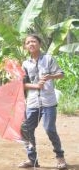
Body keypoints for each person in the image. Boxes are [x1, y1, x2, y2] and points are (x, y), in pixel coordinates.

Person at [18, 34, 66, 169]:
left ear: (39, 44)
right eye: (28, 42)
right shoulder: (25, 64)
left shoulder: (49, 59)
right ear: (25, 47)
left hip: (48, 101)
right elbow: (23, 84)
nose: (31, 44)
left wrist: (51, 76)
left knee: (50, 129)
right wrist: (36, 86)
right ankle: (32, 159)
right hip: (32, 102)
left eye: (33, 41)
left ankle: (60, 157)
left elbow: (61, 74)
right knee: (27, 130)